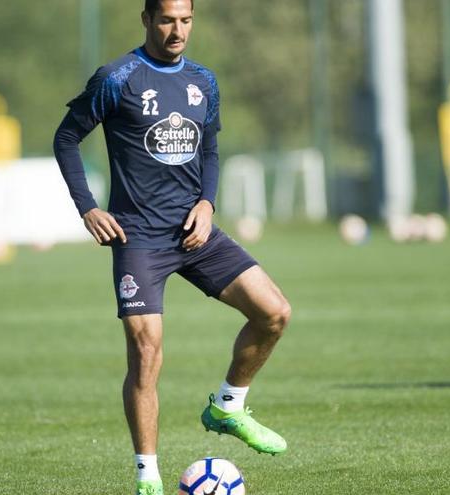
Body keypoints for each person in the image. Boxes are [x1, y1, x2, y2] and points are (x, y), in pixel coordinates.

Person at [53, 1, 291, 493]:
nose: (177, 29)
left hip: (195, 233)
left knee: (274, 312)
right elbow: (66, 137)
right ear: (146, 19)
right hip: (138, 237)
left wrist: (207, 202)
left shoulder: (203, 81)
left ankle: (228, 406)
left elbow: (209, 150)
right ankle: (149, 477)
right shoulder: (117, 77)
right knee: (146, 353)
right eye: (167, 20)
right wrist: (88, 207)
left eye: (185, 20)